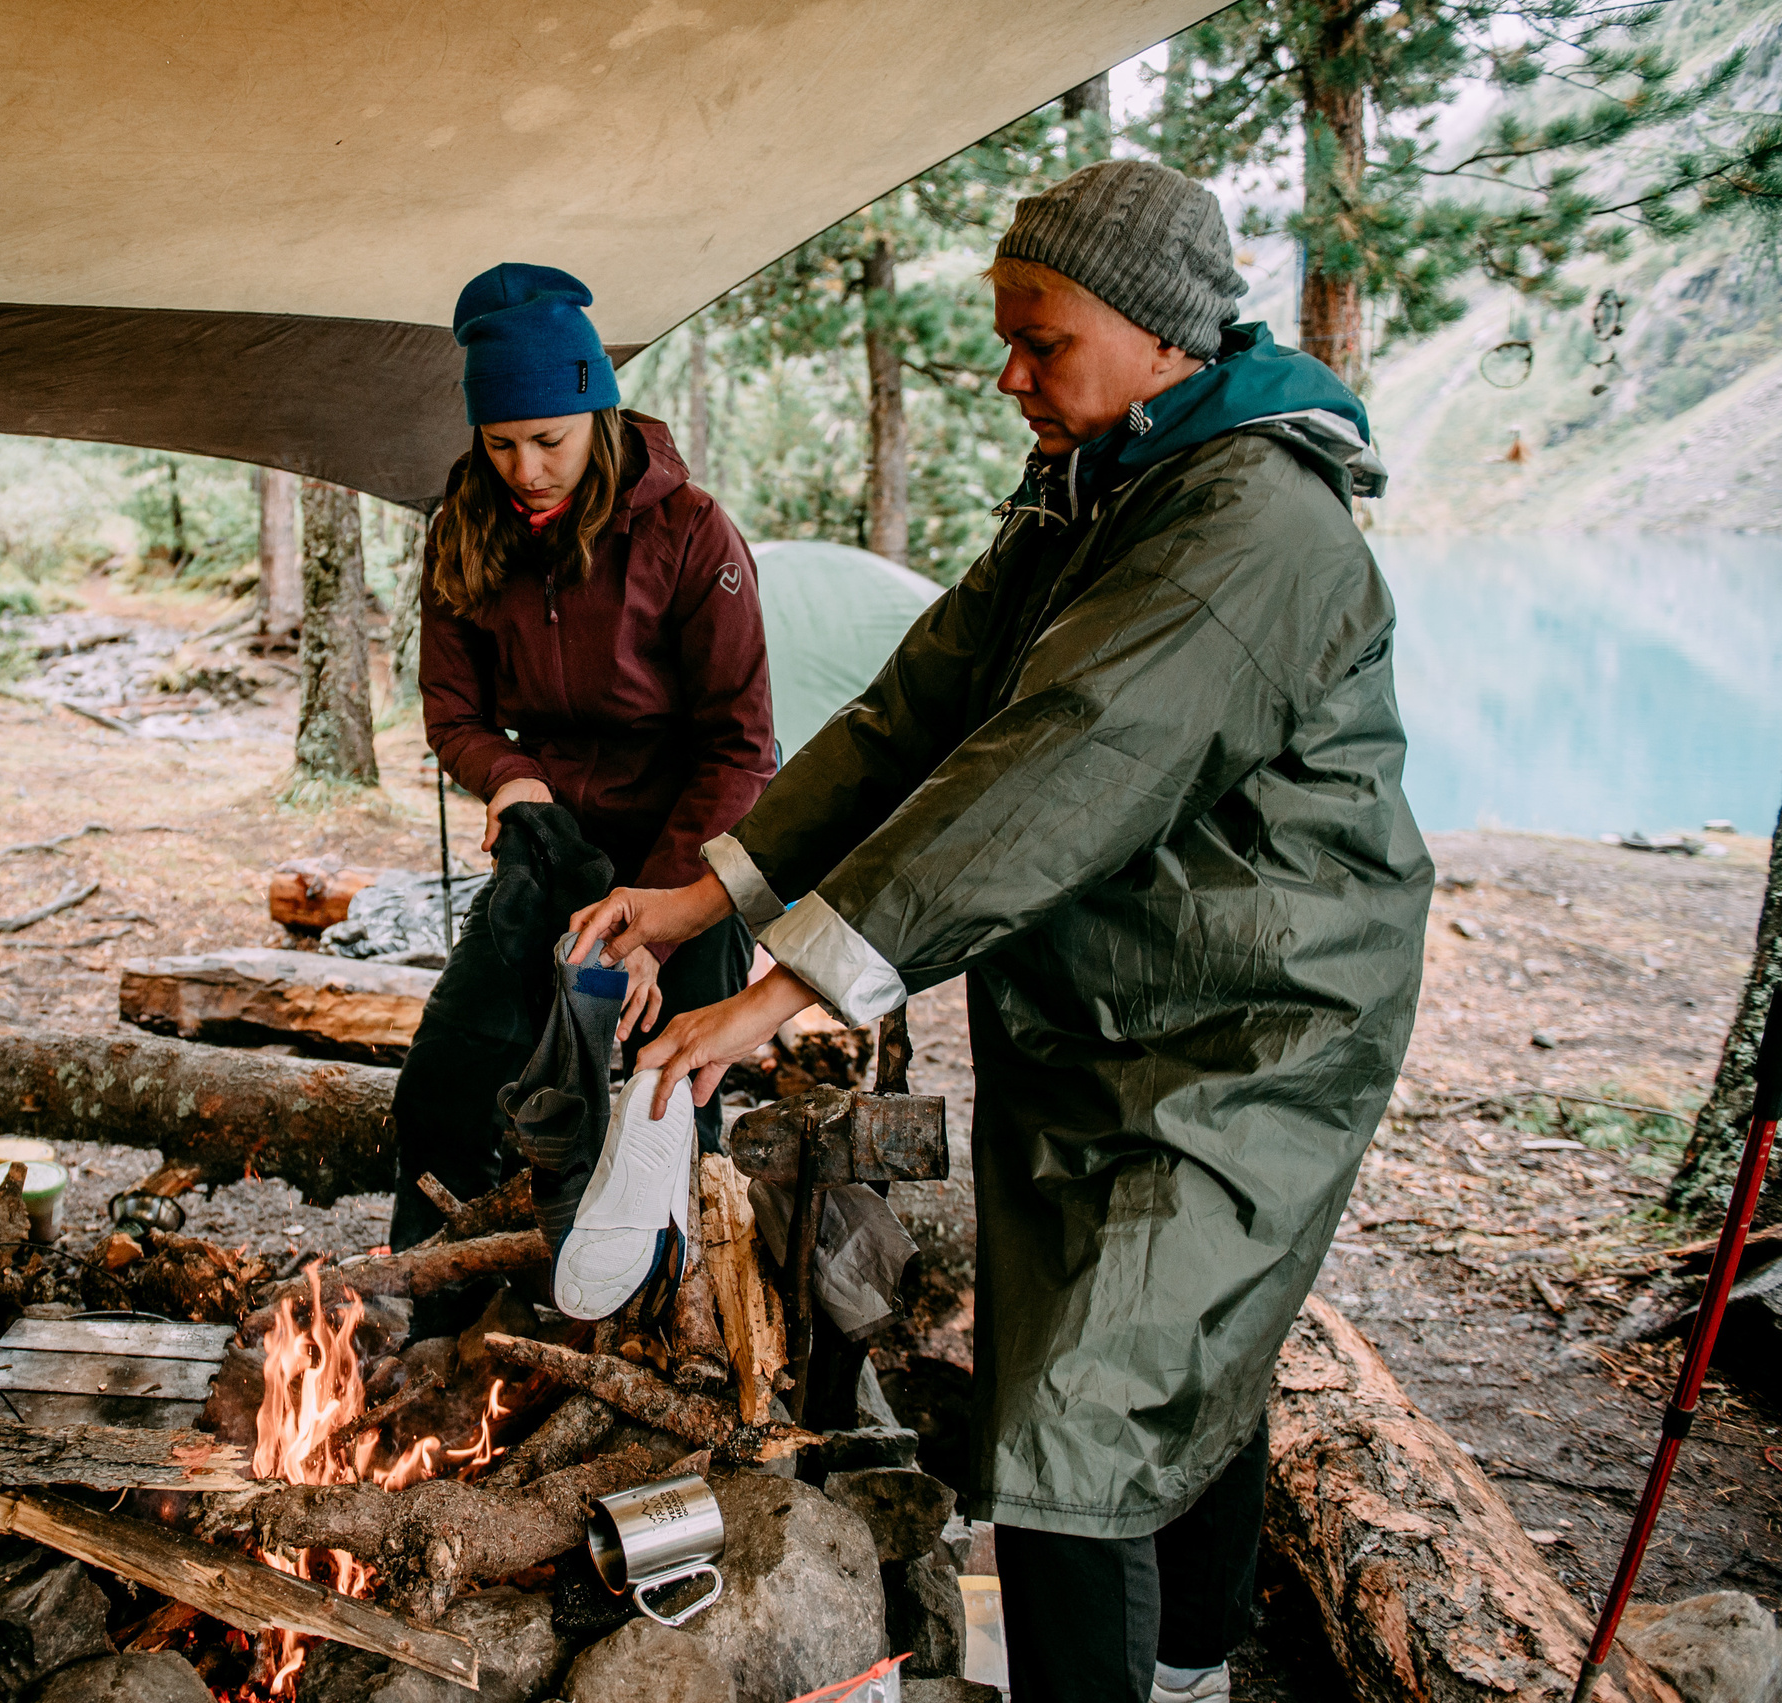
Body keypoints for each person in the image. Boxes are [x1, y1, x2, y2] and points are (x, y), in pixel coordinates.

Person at [569, 161, 1432, 1703]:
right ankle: (1192, 1670)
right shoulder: (1103, 475)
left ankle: (1151, 1673)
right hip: (1101, 1000)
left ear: (1164, 338)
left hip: (1254, 1024)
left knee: (1076, 1424)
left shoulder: (1252, 522)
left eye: (1044, 340)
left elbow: (1054, 771)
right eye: (1005, 334)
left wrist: (781, 995)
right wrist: (713, 883)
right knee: (1157, 1360)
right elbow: (927, 702)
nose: (1010, 372)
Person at [393, 262, 773, 1254]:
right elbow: (453, 710)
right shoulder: (465, 530)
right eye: (501, 442)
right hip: (552, 842)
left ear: (599, 414)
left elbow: (741, 746)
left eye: (548, 440)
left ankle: (658, 1301)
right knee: (450, 1076)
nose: (525, 468)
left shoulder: (692, 533)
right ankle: (439, 1304)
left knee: (664, 1098)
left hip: (687, 842)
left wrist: (661, 916)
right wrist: (505, 775)